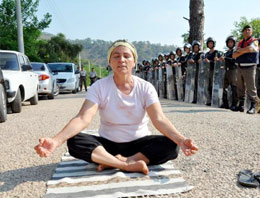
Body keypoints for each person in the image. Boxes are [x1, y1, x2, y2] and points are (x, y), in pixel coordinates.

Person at [34, 40, 198, 175]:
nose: (122, 60)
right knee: (75, 141)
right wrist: (55, 141)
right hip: (108, 145)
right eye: (116, 56)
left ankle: (119, 161)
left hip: (139, 144)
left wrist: (181, 140)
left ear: (134, 62)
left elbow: (159, 119)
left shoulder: (146, 87)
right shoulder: (99, 87)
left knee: (171, 145)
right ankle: (126, 165)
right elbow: (83, 118)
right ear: (110, 62)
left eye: (127, 56)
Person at [233, 25, 259, 114]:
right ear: (243, 32)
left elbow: (251, 48)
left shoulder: (255, 41)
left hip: (250, 67)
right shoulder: (239, 42)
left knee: (251, 87)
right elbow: (234, 55)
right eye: (245, 30)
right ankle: (241, 105)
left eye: (249, 30)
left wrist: (240, 50)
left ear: (251, 32)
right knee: (240, 87)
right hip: (240, 66)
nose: (247, 31)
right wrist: (245, 50)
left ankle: (253, 106)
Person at [219, 36, 238, 111]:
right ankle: (225, 103)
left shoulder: (235, 51)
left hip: (233, 70)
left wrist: (226, 59)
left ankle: (234, 104)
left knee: (234, 88)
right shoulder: (226, 53)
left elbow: (234, 60)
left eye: (231, 42)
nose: (230, 43)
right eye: (228, 42)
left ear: (234, 43)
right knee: (224, 87)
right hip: (226, 70)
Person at [203, 37, 222, 106]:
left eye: (211, 43)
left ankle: (217, 101)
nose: (210, 44)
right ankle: (210, 100)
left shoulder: (217, 52)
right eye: (209, 43)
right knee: (209, 86)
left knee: (215, 86)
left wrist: (210, 61)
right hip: (208, 71)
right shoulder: (207, 54)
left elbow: (219, 62)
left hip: (215, 71)